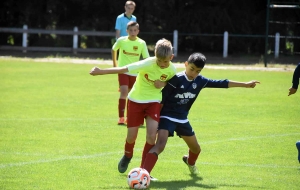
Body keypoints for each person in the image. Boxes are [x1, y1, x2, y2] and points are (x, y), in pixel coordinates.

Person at [141, 52, 260, 178]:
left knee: (196, 149)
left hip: (182, 119)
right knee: (160, 145)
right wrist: (156, 119)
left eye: (198, 71)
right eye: (192, 69)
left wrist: (245, 84)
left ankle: (190, 162)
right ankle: (144, 174)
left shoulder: (200, 81)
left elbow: (222, 83)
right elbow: (161, 101)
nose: (194, 73)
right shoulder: (176, 79)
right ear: (186, 64)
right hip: (167, 117)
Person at [89, 38, 177, 177]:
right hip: (135, 100)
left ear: (171, 57)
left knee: (151, 137)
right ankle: (127, 155)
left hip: (153, 102)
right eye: (159, 60)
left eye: (165, 61)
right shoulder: (148, 63)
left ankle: (143, 171)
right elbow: (124, 69)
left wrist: (164, 84)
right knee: (131, 137)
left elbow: (173, 83)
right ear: (155, 56)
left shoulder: (172, 69)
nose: (161, 64)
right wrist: (101, 71)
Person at [112, 21, 150, 125]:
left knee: (131, 95)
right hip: (123, 70)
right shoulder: (121, 40)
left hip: (135, 72)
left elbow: (146, 58)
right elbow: (113, 49)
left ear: (138, 31)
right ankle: (121, 117)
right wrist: (115, 64)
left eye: (135, 30)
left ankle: (129, 117)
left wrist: (145, 71)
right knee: (124, 92)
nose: (133, 32)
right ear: (127, 31)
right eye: (130, 30)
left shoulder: (141, 43)